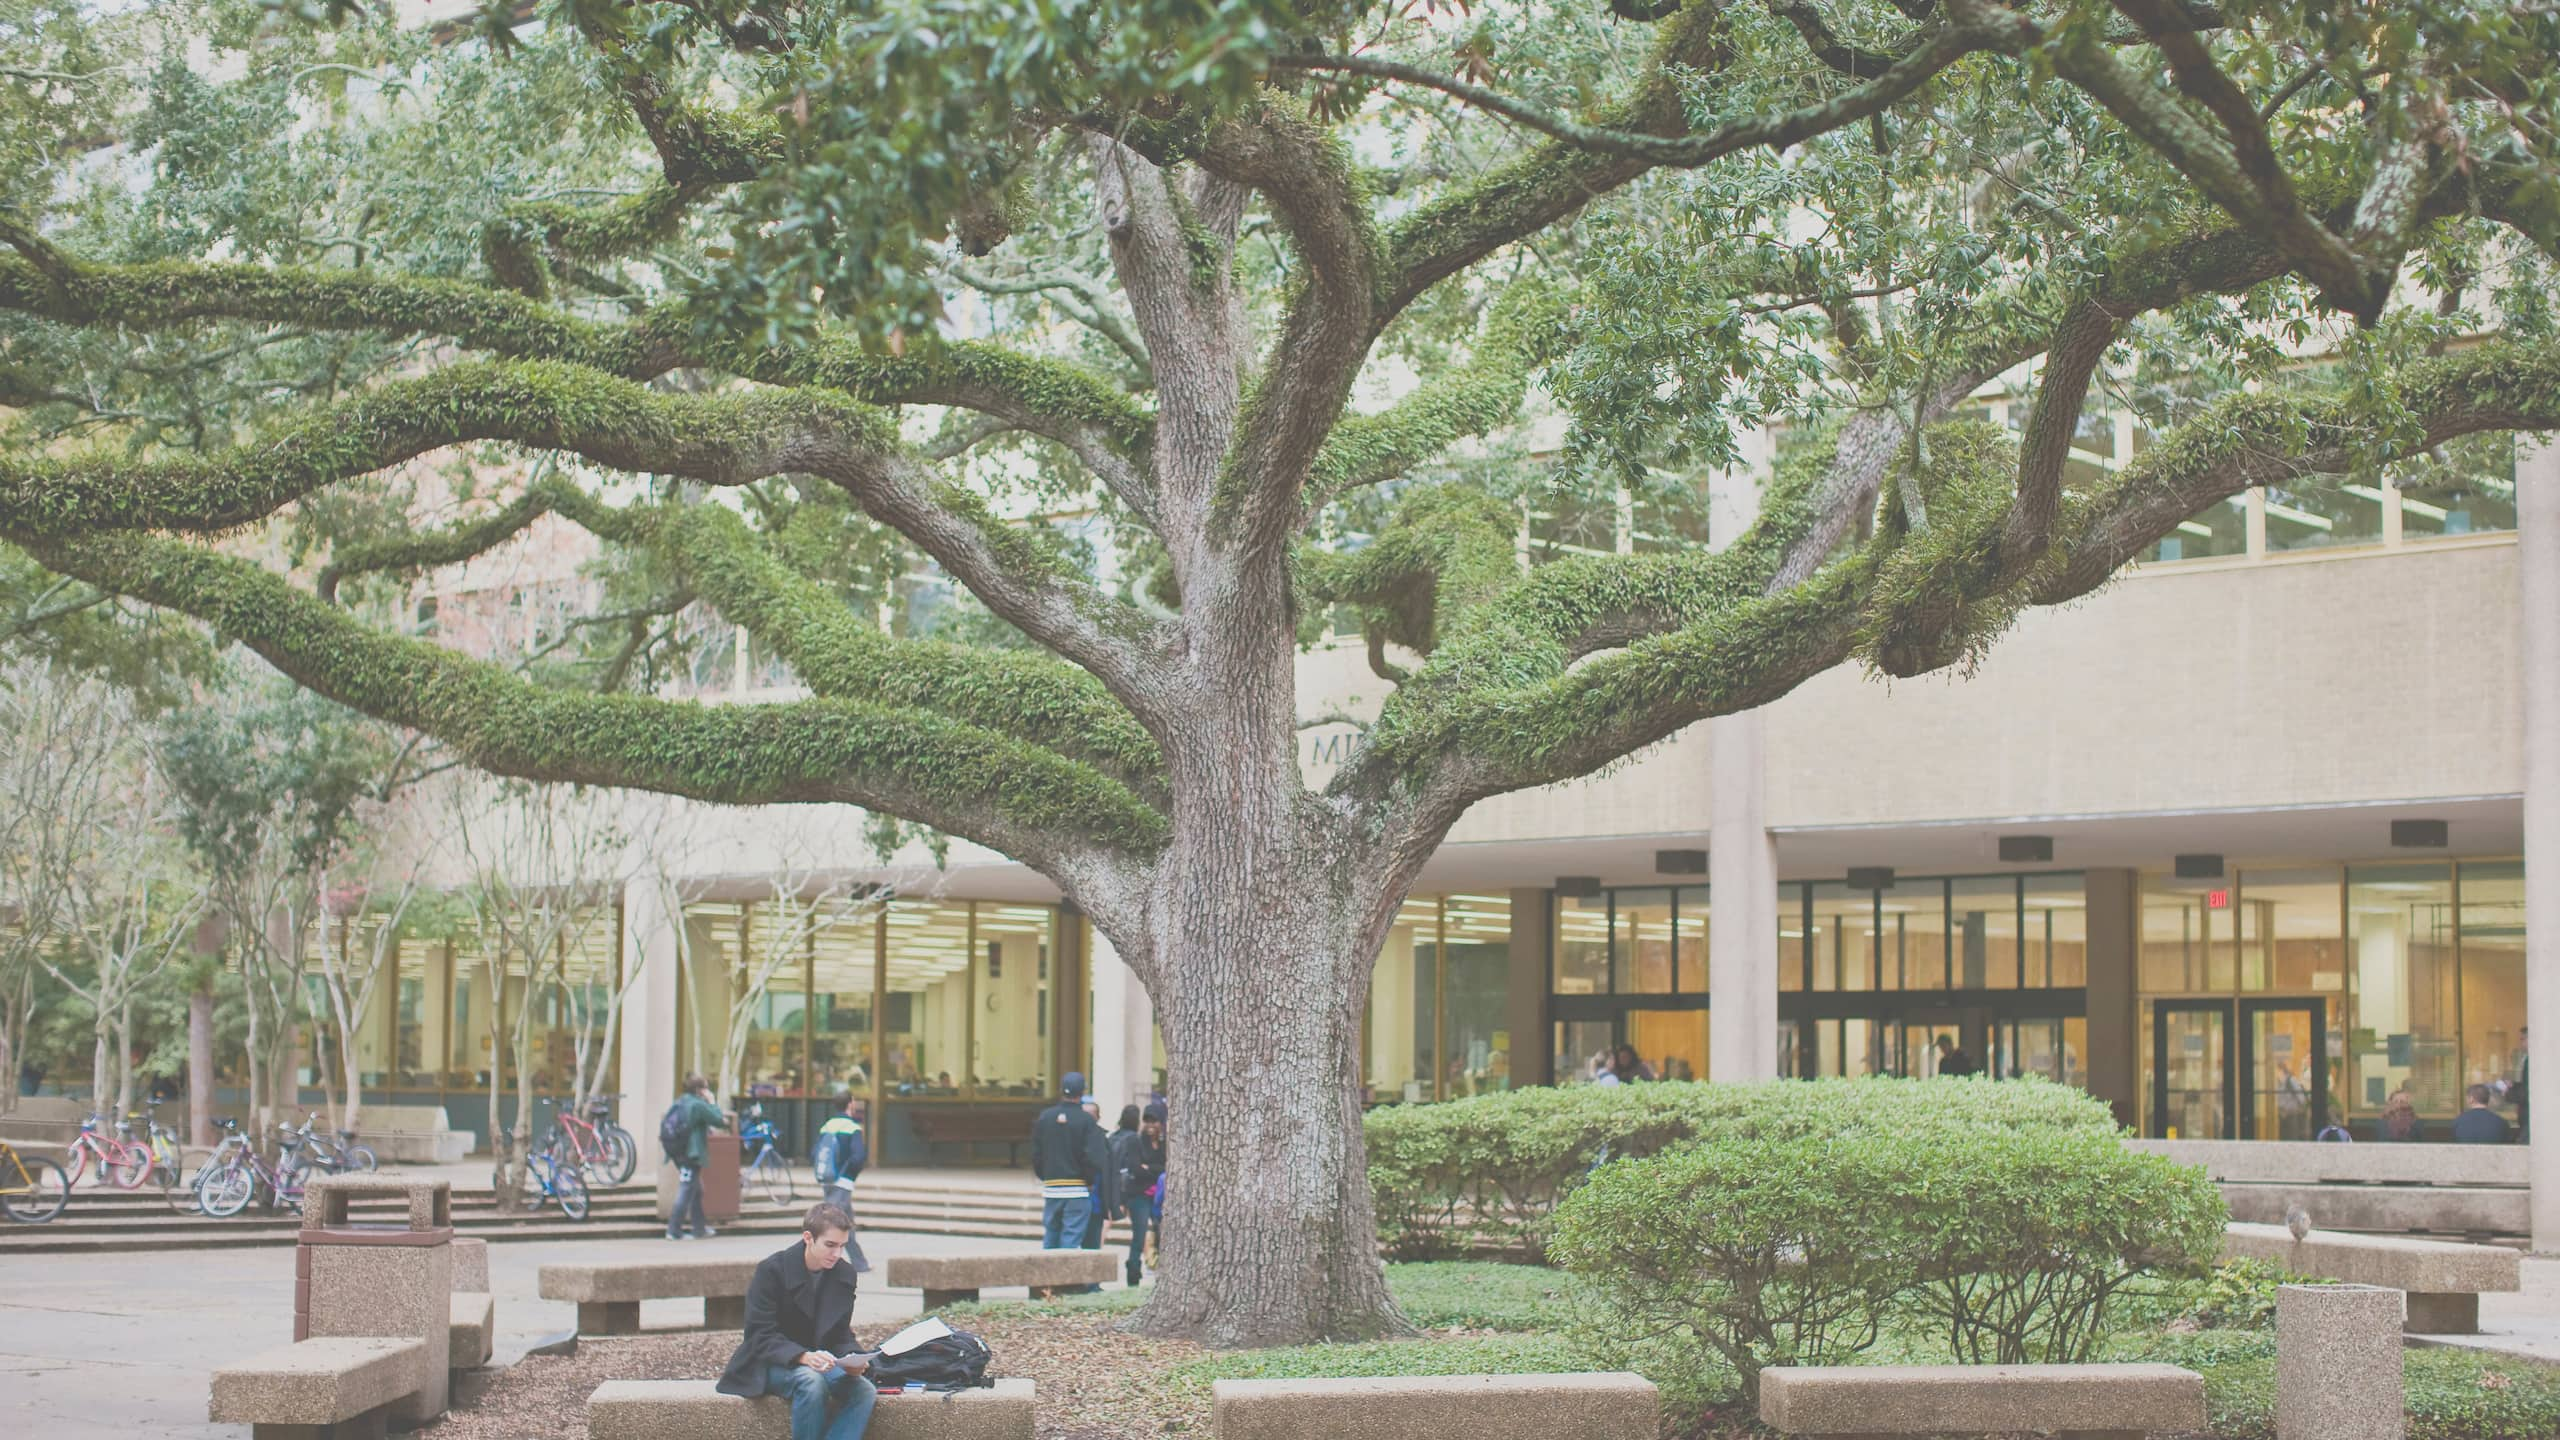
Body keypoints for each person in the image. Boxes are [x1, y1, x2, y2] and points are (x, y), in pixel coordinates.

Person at [716, 1202, 877, 1440]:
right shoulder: (771, 1270)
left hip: (821, 1361)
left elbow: (840, 1332)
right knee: (810, 1382)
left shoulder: (844, 1273)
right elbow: (759, 1334)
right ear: (808, 1238)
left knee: (864, 1391)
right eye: (830, 1245)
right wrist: (803, 1357)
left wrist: (854, 1359)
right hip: (769, 1362)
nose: (837, 1254)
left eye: (842, 1246)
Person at [1031, 1071, 1109, 1285]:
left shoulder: (1045, 1117)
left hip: (1052, 1186)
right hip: (1076, 1187)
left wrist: (1044, 1174)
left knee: (1051, 1234)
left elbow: (1036, 1152)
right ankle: (1065, 1284)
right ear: (1082, 1092)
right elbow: (1094, 1156)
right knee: (1071, 1236)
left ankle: (1046, 1282)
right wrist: (1090, 1179)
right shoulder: (1086, 1121)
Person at [811, 1095, 871, 1273]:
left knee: (844, 1221)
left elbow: (814, 1152)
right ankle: (818, 1260)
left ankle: (860, 1262)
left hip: (828, 1179)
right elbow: (858, 1156)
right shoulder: (852, 1127)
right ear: (850, 1104)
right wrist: (849, 1174)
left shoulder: (827, 1125)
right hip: (843, 1181)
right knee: (834, 1224)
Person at [666, 1073, 728, 1241]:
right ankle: (673, 1230)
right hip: (691, 1154)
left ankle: (699, 1228)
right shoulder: (697, 1105)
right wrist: (712, 1101)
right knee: (686, 1189)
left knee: (696, 1190)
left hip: (677, 1152)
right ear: (700, 1090)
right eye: (706, 1088)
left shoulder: (680, 1102)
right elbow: (718, 1120)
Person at [1112, 1101, 1167, 1287]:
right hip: (1139, 1194)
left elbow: (1166, 1168)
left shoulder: (1165, 1144)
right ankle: (1133, 1273)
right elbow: (1136, 1168)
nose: (1151, 1125)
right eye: (1147, 1121)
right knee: (1139, 1232)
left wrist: (1149, 1168)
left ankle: (1161, 1269)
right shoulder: (1135, 1141)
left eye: (1155, 1121)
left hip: (1159, 1195)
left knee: (1162, 1231)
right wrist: (1155, 1170)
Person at [1080, 1098, 1111, 1253]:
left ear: (1098, 1117)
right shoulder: (1074, 1136)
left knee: (1092, 1244)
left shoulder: (1102, 1139)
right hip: (1076, 1198)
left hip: (1096, 1202)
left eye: (1091, 1115)